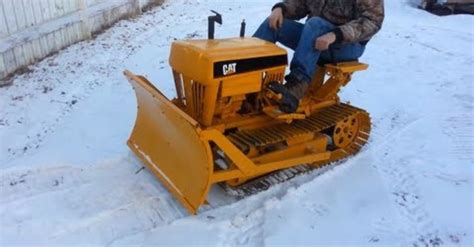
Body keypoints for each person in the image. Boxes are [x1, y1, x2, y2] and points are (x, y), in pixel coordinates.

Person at [254, 0, 384, 113]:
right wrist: (281, 9)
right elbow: (300, 4)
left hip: (346, 44)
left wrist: (336, 34)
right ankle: (248, 74)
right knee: (273, 25)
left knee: (315, 24)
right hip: (314, 36)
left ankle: (297, 85)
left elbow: (372, 21)